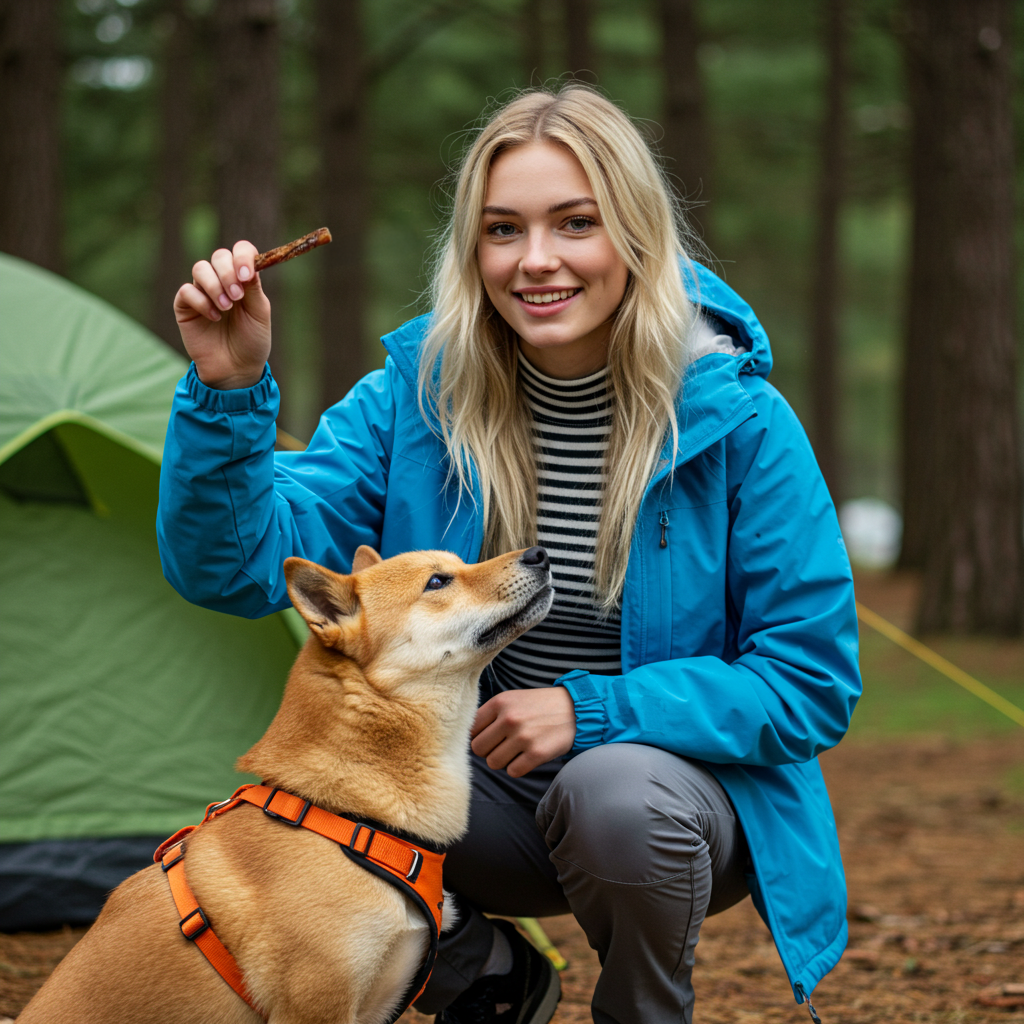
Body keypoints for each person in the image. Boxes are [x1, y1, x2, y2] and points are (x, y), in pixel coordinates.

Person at [159, 86, 861, 1024]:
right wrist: (229, 391)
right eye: (503, 230)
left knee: (615, 792)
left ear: (637, 236)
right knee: (318, 776)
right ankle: (483, 975)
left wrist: (592, 710)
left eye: (576, 223)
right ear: (472, 248)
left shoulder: (741, 424)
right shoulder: (413, 401)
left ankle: (645, 1012)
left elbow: (810, 679)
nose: (536, 261)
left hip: (673, 805)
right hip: (476, 795)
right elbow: (235, 568)